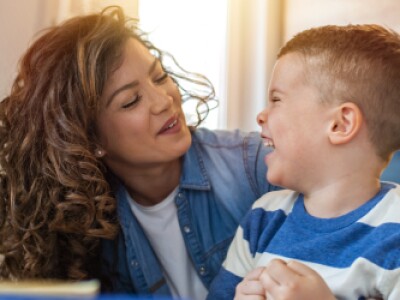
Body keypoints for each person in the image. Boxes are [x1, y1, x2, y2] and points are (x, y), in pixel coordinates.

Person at [0, 5, 277, 299]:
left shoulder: (256, 167)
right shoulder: (89, 223)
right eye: (131, 101)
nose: (164, 101)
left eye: (159, 77)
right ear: (90, 138)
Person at [207, 24, 400, 299]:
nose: (262, 115)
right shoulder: (263, 218)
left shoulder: (394, 230)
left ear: (340, 124)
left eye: (276, 99)